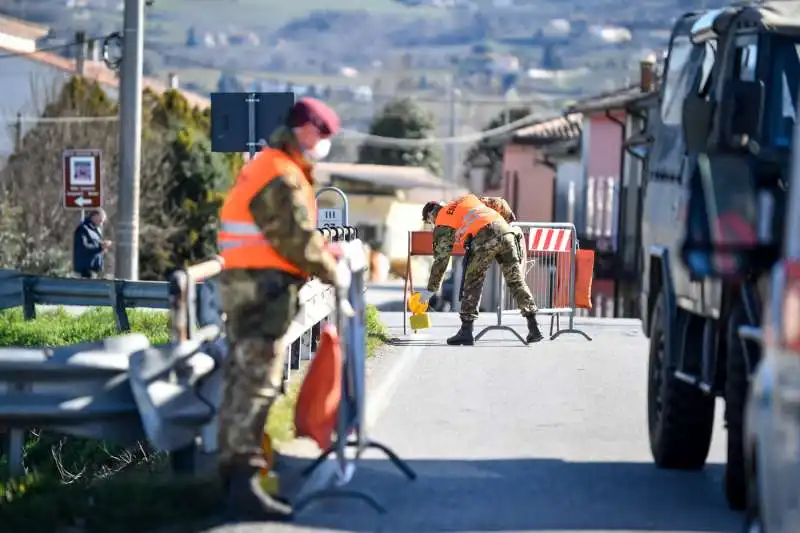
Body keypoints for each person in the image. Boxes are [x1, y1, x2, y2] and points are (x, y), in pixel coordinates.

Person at [215, 97, 348, 522]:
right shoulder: (280, 174)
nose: (324, 144)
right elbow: (295, 241)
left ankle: (234, 479)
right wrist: (333, 270)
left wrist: (320, 252)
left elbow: (289, 235)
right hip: (261, 291)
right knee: (256, 384)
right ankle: (242, 485)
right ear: (305, 129)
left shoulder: (270, 165)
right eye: (322, 135)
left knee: (244, 380)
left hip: (249, 286)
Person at [418, 194, 543, 345]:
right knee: (516, 281)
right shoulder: (465, 199)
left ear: (431, 215)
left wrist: (431, 290)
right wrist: (509, 218)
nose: (431, 224)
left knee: (473, 283)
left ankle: (466, 331)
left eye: (429, 222)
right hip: (505, 231)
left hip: (484, 237)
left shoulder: (442, 220)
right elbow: (498, 202)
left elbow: (441, 260)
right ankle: (534, 327)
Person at [72, 208, 111, 278]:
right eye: (100, 221)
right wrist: (100, 247)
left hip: (94, 269)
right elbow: (83, 247)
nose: (101, 224)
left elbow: (95, 245)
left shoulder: (96, 230)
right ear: (94, 216)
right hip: (84, 271)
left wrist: (102, 248)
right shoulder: (83, 229)